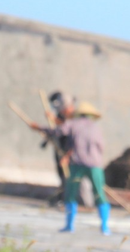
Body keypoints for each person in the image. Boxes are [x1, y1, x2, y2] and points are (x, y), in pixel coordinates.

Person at [31, 101, 111, 235]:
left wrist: (39, 127)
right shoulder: (96, 128)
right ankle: (105, 227)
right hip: (95, 165)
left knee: (71, 195)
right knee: (99, 194)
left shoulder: (73, 124)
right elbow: (98, 146)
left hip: (77, 165)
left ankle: (69, 226)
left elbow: (58, 131)